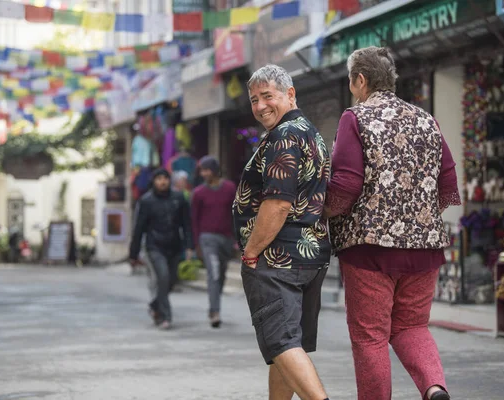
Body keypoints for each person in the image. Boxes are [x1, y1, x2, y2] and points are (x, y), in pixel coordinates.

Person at [324, 46, 461, 400]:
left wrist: (322, 213)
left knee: (370, 336)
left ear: (360, 80)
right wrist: (418, 221)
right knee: (412, 325)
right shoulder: (424, 118)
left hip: (369, 250)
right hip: (424, 249)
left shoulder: (355, 118)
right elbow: (448, 181)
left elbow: (346, 185)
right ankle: (434, 388)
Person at [233, 64, 332, 400]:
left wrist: (251, 251)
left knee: (281, 341)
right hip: (307, 256)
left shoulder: (283, 136)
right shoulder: (310, 132)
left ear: (290, 94)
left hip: (279, 259)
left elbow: (277, 203)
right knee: (286, 344)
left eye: (267, 96)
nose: (260, 106)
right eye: (254, 99)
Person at [129, 168, 194, 330]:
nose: (162, 182)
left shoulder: (179, 199)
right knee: (162, 277)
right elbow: (139, 228)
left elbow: (187, 224)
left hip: (174, 245)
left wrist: (189, 246)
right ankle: (165, 316)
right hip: (154, 246)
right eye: (159, 179)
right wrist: (134, 253)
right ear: (154, 181)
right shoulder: (146, 201)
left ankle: (155, 305)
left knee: (171, 281)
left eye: (165, 178)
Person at [191, 156, 236, 328]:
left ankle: (214, 304)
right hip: (207, 238)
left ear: (215, 170)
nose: (204, 173)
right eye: (201, 170)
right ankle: (215, 311)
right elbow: (194, 220)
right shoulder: (198, 193)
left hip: (226, 238)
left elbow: (236, 214)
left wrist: (237, 239)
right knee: (214, 272)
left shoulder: (230, 188)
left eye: (206, 169)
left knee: (221, 274)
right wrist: (196, 244)